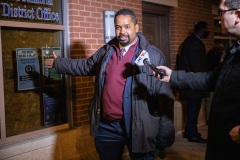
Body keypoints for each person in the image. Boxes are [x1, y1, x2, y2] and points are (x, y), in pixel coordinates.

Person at [45, 8, 174, 160]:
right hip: (108, 127)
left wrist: (164, 137)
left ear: (136, 28)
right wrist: (58, 64)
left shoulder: (153, 56)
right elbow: (87, 66)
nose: (122, 31)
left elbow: (164, 97)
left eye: (127, 27)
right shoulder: (107, 50)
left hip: (139, 126)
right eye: (118, 27)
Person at [155, 0, 240, 159]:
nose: (219, 17)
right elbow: (211, 78)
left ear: (238, 15)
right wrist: (173, 76)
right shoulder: (234, 50)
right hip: (222, 141)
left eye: (221, 12)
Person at [177, 21, 209, 143]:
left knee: (191, 109)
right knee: (193, 110)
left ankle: (188, 131)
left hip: (189, 82)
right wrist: (203, 82)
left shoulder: (191, 41)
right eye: (206, 29)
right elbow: (197, 66)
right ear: (201, 30)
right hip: (193, 83)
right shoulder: (194, 43)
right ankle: (193, 135)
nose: (207, 32)